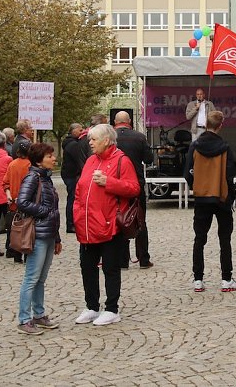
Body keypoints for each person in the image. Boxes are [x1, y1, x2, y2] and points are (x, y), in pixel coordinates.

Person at [73, 124, 140, 326]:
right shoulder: (91, 160)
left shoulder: (122, 161)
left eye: (94, 139)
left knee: (110, 268)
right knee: (87, 267)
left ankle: (112, 308)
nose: (90, 142)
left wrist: (109, 182)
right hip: (87, 224)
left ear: (107, 140)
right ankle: (91, 306)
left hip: (110, 225)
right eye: (90, 139)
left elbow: (134, 188)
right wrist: (77, 213)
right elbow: (80, 190)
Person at [184, 110, 236, 292]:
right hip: (221, 198)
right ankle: (226, 279)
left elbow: (187, 172)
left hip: (202, 198)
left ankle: (198, 280)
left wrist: (198, 186)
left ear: (205, 125)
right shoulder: (225, 147)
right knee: (224, 239)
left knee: (199, 239)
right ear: (221, 126)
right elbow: (230, 173)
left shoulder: (195, 146)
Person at [15, 143, 62, 335]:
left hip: (48, 233)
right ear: (38, 160)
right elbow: (22, 202)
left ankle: (39, 314)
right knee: (32, 278)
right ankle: (24, 319)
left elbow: (55, 211)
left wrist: (57, 237)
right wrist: (44, 212)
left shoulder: (46, 179)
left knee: (41, 278)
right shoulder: (33, 178)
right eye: (49, 156)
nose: (54, 159)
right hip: (38, 233)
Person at [113, 111, 154, 269]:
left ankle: (122, 260)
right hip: (136, 183)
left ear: (115, 122)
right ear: (129, 121)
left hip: (116, 185)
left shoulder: (110, 138)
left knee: (119, 219)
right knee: (139, 220)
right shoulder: (139, 137)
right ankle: (143, 259)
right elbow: (149, 159)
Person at [3, 142, 32, 264]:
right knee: (28, 228)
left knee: (15, 228)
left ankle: (15, 253)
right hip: (27, 201)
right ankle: (27, 253)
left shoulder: (12, 164)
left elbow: (6, 183)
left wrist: (9, 196)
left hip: (14, 201)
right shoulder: (30, 165)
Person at [60, 123, 86, 233]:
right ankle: (70, 224)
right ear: (73, 131)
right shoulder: (73, 144)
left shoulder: (70, 142)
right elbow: (79, 159)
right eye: (80, 130)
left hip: (69, 174)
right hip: (71, 175)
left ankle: (71, 223)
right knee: (72, 199)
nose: (82, 132)